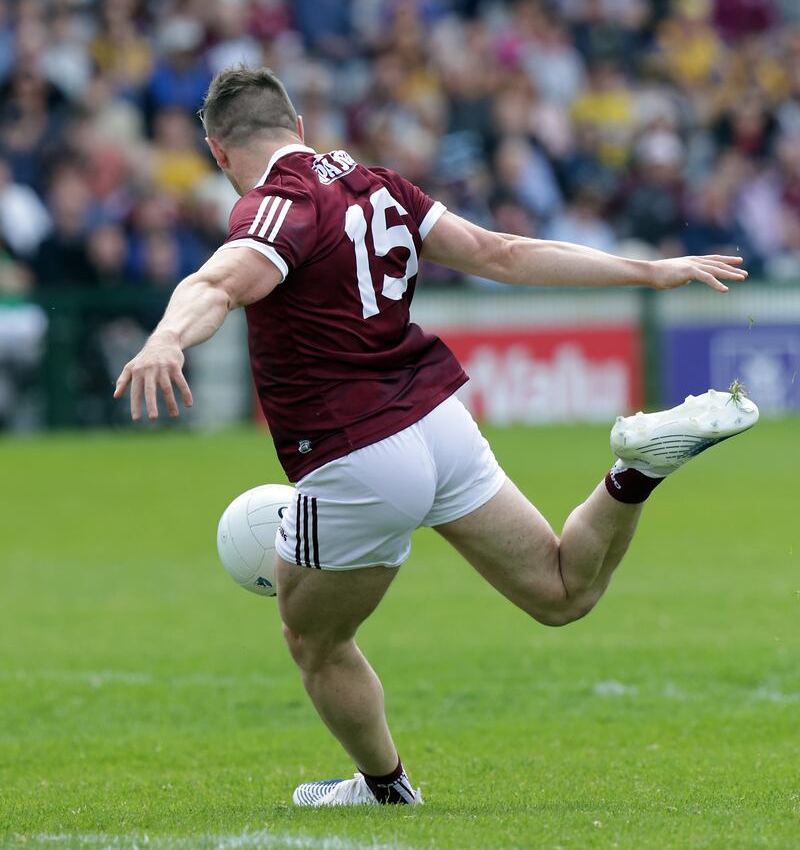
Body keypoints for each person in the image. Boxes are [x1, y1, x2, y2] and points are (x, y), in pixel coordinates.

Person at [113, 68, 758, 807]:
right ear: (297, 122)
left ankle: (385, 789)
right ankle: (634, 472)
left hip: (357, 456)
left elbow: (217, 282)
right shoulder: (377, 183)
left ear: (217, 151)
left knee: (312, 638)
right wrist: (649, 269)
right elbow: (502, 253)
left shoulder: (277, 204)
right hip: (438, 422)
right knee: (560, 591)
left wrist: (166, 336)